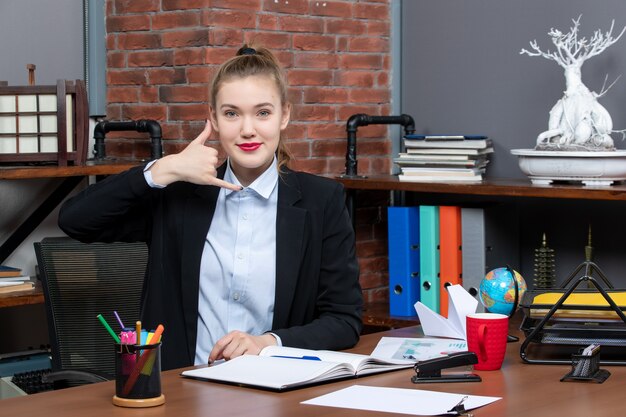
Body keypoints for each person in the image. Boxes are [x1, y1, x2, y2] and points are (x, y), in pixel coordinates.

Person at [58, 45, 363, 371]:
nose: (248, 130)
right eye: (232, 114)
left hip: (275, 389)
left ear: (284, 115)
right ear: (214, 119)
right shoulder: (180, 195)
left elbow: (344, 319)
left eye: (263, 113)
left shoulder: (322, 201)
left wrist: (267, 343)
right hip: (182, 392)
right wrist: (163, 170)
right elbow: (76, 220)